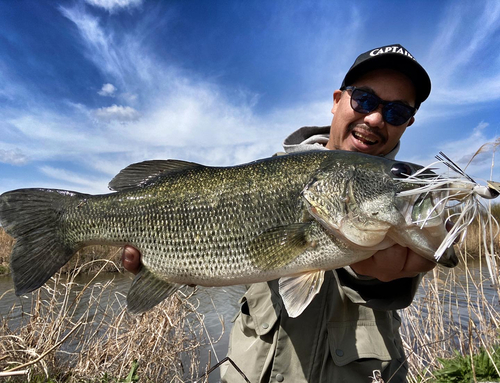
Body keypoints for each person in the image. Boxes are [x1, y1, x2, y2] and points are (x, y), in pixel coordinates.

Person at [122, 44, 436, 382]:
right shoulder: (270, 175)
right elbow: (232, 256)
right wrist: (172, 262)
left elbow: (395, 286)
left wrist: (380, 276)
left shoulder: (407, 192)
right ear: (337, 100)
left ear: (408, 122)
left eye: (396, 113)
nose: (374, 118)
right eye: (365, 99)